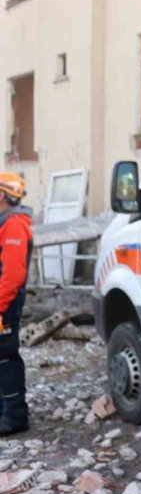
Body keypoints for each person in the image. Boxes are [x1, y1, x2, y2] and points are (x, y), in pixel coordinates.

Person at [0, 173, 33, 437]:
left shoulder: (14, 225)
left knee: (5, 358)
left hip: (5, 304)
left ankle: (14, 416)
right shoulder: (5, 222)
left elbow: (12, 276)